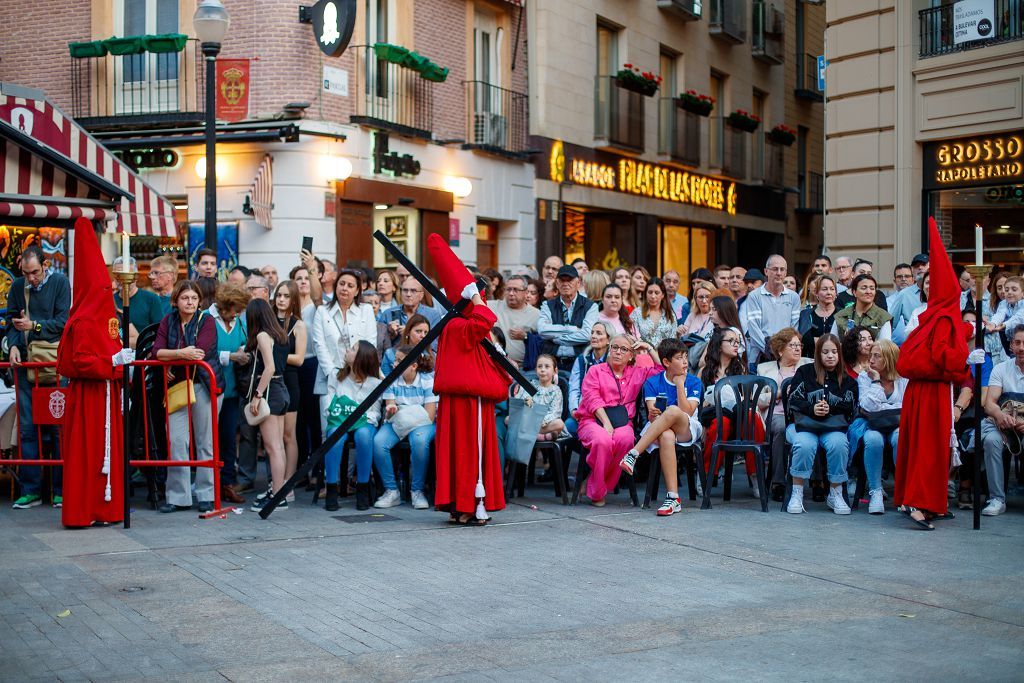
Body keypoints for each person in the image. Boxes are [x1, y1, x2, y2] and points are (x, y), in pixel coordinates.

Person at [895, 218, 972, 530]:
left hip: (923, 391)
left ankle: (926, 501)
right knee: (930, 450)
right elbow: (946, 357)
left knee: (924, 448)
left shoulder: (935, 315)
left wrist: (964, 329)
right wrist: (965, 348)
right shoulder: (943, 319)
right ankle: (920, 504)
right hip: (933, 392)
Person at [428, 234, 511, 524]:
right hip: (466, 401)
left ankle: (464, 505)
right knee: (466, 453)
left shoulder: (456, 325)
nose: (482, 298)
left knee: (465, 453)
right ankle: (467, 504)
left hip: (467, 399)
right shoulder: (457, 325)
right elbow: (485, 318)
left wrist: (472, 295)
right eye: (478, 294)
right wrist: (473, 295)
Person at [55, 218, 132, 526]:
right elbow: (82, 360)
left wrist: (120, 361)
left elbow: (110, 346)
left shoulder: (103, 317)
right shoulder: (84, 321)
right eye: (102, 287)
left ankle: (104, 506)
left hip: (106, 394)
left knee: (103, 452)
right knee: (87, 453)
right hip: (90, 395)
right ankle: (84, 509)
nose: (107, 291)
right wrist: (112, 362)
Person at [7, 245, 71, 509]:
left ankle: (60, 488)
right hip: (26, 362)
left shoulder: (60, 283)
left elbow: (64, 321)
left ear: (45, 266)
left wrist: (35, 326)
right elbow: (10, 320)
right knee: (27, 428)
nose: (30, 278)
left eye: (34, 272)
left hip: (55, 363)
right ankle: (31, 488)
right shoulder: (17, 287)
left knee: (58, 426)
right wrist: (11, 344)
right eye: (26, 273)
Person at [152, 280, 223, 513]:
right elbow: (157, 351)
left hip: (202, 383)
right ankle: (178, 496)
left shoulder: (207, 321)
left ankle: (206, 494)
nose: (190, 302)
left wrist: (172, 359)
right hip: (177, 387)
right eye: (185, 298)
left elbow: (199, 351)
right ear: (176, 300)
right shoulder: (168, 320)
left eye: (194, 298)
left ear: (199, 300)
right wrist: (180, 354)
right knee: (176, 441)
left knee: (205, 441)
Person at [619, 338, 703, 516]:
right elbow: (651, 414)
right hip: (659, 430)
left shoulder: (694, 382)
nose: (685, 362)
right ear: (666, 362)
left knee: (672, 410)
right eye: (680, 358)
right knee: (665, 435)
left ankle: (633, 453)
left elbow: (687, 411)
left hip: (687, 429)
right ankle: (673, 498)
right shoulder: (652, 382)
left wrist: (680, 385)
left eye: (686, 357)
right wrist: (653, 414)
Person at [575, 334, 659, 506]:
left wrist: (649, 348)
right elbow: (592, 398)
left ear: (631, 355)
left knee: (626, 439)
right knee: (602, 440)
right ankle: (597, 492)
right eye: (614, 347)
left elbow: (661, 370)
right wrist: (606, 422)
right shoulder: (595, 370)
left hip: (622, 422)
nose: (618, 352)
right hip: (593, 419)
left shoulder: (637, 373)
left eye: (624, 349)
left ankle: (593, 483)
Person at [785, 334, 857, 515]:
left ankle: (835, 492)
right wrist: (812, 408)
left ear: (839, 354)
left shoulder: (847, 379)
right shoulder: (805, 372)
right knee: (804, 444)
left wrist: (829, 408)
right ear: (818, 354)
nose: (830, 356)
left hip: (833, 427)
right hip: (805, 426)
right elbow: (793, 399)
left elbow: (851, 405)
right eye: (825, 352)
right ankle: (797, 491)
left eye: (834, 352)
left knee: (839, 444)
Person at [313, 269, 379, 436]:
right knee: (328, 430)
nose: (345, 288)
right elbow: (319, 345)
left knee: (359, 429)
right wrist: (333, 374)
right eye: (341, 284)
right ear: (335, 287)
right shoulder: (322, 311)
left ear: (357, 290)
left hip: (359, 377)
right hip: (330, 377)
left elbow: (370, 344)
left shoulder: (366, 310)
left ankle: (353, 464)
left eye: (350, 286)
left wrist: (355, 371)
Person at [699, 327, 761, 498]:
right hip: (716, 417)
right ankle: (707, 473)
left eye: (738, 342)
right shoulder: (705, 372)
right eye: (731, 341)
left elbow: (747, 399)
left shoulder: (740, 369)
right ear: (719, 345)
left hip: (740, 417)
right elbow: (699, 404)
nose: (736, 345)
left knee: (751, 417)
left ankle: (755, 475)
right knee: (721, 423)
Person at [848, 339, 907, 514]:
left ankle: (903, 490)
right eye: (870, 355)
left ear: (889, 358)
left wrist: (884, 408)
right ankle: (875, 492)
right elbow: (867, 406)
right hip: (871, 424)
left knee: (899, 437)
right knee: (873, 439)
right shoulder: (865, 377)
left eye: (877, 356)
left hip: (897, 424)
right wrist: (875, 382)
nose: (871, 360)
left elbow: (906, 406)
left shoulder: (903, 378)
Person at [323, 340, 382, 511]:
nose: (348, 350)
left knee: (363, 435)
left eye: (353, 349)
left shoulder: (374, 383)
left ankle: (362, 487)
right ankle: (331, 488)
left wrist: (356, 416)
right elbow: (328, 406)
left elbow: (375, 413)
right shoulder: (336, 376)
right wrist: (343, 414)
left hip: (364, 423)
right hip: (339, 421)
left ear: (361, 358)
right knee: (334, 434)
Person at [243, 299, 290, 512]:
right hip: (282, 389)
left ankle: (277, 496)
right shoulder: (280, 334)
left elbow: (268, 368)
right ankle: (278, 492)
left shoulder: (263, 335)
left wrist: (257, 395)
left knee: (272, 448)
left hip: (270, 391)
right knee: (278, 446)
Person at [757, 328, 812, 502]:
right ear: (780, 350)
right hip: (778, 412)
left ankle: (818, 482)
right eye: (792, 345)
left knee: (815, 428)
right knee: (781, 428)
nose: (797, 349)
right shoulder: (765, 369)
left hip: (804, 413)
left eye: (799, 345)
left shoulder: (808, 365)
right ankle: (778, 483)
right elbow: (758, 399)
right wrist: (780, 392)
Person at [210, 283, 250, 504]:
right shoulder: (207, 318)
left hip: (232, 389)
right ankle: (210, 485)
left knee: (227, 439)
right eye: (234, 308)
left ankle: (227, 484)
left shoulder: (238, 322)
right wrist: (232, 356)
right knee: (209, 439)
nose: (236, 313)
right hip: (211, 388)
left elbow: (243, 343)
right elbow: (204, 350)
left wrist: (243, 351)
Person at [978, 324, 1024, 517]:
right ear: (1011, 346)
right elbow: (989, 403)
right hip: (1002, 426)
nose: (1021, 348)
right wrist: (1000, 416)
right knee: (991, 440)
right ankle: (997, 498)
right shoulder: (1001, 369)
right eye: (1017, 343)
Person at [290, 261, 323, 489]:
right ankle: (301, 469)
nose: (302, 282)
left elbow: (318, 294)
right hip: (292, 366)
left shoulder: (318, 306)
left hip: (313, 365)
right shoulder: (287, 307)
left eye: (306, 278)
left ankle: (316, 471)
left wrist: (312, 269)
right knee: (297, 421)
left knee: (314, 420)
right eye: (298, 278)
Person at [274, 280, 308, 489]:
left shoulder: (298, 324)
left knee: (288, 435)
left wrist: (275, 356)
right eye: (279, 295)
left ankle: (288, 482)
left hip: (290, 380)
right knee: (273, 437)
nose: (281, 299)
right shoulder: (268, 321)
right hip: (271, 381)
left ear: (293, 299)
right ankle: (277, 481)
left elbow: (299, 359)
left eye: (286, 296)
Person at [739, 255, 801, 366]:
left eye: (782, 269)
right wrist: (771, 350)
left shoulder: (794, 297)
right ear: (766, 271)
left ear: (786, 273)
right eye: (775, 269)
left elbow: (793, 329)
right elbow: (754, 328)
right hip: (759, 358)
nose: (779, 273)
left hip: (785, 357)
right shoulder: (754, 296)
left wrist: (783, 351)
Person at [538, 265, 598, 373]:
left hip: (580, 362)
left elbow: (587, 335)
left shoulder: (590, 306)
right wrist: (572, 329)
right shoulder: (547, 305)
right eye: (562, 280)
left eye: (569, 280)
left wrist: (557, 339)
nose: (565, 283)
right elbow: (542, 330)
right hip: (552, 364)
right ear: (557, 283)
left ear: (578, 283)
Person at [566, 322, 613, 437]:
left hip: (607, 412)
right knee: (569, 425)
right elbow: (574, 388)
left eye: (599, 333)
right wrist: (574, 409)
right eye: (592, 333)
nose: (593, 336)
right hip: (584, 411)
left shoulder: (613, 361)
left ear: (608, 339)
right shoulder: (582, 360)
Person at [112, 257, 165, 349]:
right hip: (116, 355)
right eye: (118, 275)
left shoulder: (151, 299)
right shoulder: (111, 300)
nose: (122, 279)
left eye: (126, 274)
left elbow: (160, 332)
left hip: (143, 356)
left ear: (135, 276)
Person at [488, 274, 540, 365]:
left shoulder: (537, 315)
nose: (511, 293)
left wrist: (526, 336)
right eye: (508, 289)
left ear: (526, 292)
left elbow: (543, 343)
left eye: (516, 290)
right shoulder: (492, 306)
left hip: (523, 369)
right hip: (495, 365)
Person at [513, 354, 567, 441]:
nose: (542, 370)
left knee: (559, 423)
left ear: (554, 371)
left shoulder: (556, 390)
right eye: (539, 366)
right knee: (508, 419)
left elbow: (555, 412)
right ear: (535, 370)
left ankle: (532, 435)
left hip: (545, 424)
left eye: (547, 367)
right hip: (529, 420)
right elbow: (519, 404)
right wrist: (526, 403)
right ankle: (540, 436)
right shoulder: (529, 385)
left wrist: (543, 420)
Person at [378, 276, 441, 345]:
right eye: (405, 290)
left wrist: (410, 333)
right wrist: (390, 335)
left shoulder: (433, 315)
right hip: (395, 355)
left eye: (413, 291)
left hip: (421, 355)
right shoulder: (388, 314)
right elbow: (380, 346)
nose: (408, 294)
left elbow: (434, 346)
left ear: (421, 295)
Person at [832, 274, 892, 341]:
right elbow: (833, 344)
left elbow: (885, 347)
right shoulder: (841, 316)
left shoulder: (883, 317)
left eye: (872, 288)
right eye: (864, 288)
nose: (868, 292)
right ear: (854, 292)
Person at [797, 275, 838, 357]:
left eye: (832, 289)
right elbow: (804, 340)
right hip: (810, 361)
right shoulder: (805, 314)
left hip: (836, 362)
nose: (829, 292)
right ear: (816, 293)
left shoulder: (843, 314)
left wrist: (816, 341)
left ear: (836, 293)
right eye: (824, 289)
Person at [630, 277, 676, 349]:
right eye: (650, 292)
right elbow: (631, 337)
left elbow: (673, 340)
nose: (653, 296)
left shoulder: (670, 315)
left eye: (656, 293)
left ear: (663, 295)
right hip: (642, 356)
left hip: (664, 357)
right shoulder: (637, 313)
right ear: (646, 294)